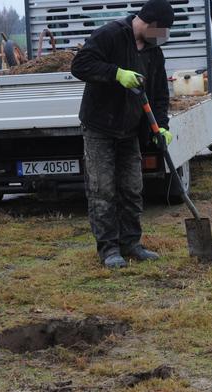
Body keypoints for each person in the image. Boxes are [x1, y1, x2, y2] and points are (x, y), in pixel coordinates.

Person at [71, 0, 174, 268]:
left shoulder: (153, 51)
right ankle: (109, 250)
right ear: (149, 22)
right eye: (162, 30)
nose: (163, 37)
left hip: (130, 130)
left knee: (132, 188)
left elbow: (160, 94)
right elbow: (80, 65)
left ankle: (131, 243)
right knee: (102, 189)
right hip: (99, 127)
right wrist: (116, 73)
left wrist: (161, 126)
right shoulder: (110, 35)